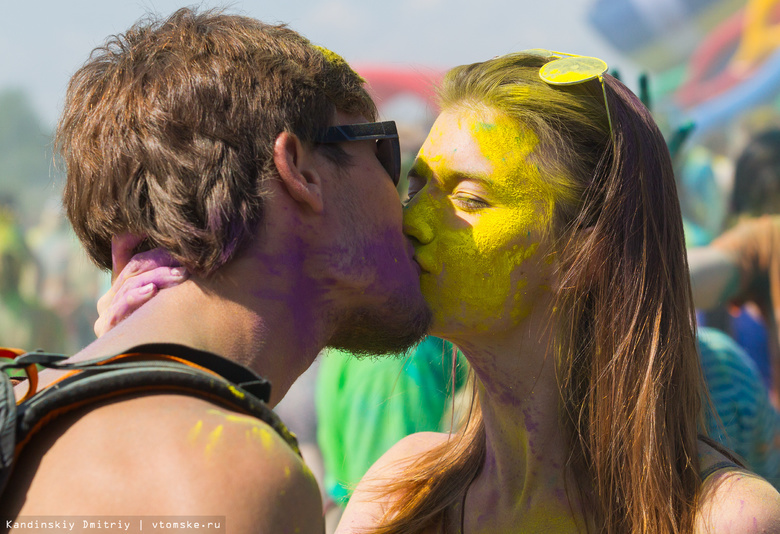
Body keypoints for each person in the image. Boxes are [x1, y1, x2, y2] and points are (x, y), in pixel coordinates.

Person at [100, 51, 780, 532]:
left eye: (472, 198)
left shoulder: (722, 518)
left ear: (586, 250)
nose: (414, 222)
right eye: (418, 185)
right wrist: (132, 377)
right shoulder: (404, 492)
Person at [0, 8, 430, 532]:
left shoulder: (27, 399)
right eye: (386, 153)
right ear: (299, 170)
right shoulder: (226, 469)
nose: (413, 201)